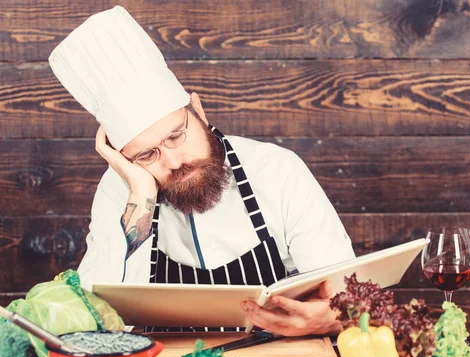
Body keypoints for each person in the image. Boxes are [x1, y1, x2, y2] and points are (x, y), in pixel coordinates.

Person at [48, 6, 355, 337]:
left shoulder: (277, 170)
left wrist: (334, 316)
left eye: (176, 136)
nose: (173, 162)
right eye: (148, 154)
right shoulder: (120, 192)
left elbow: (344, 295)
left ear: (198, 111)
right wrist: (141, 194)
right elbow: (94, 318)